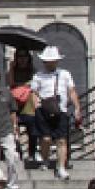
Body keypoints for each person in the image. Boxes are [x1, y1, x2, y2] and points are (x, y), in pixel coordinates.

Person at [32, 43, 82, 178]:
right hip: (43, 110)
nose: (50, 64)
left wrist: (77, 108)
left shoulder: (65, 74)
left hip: (61, 110)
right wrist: (36, 105)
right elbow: (34, 93)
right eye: (47, 61)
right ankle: (45, 159)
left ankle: (60, 167)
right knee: (46, 139)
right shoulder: (38, 76)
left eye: (52, 61)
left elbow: (71, 91)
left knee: (61, 140)